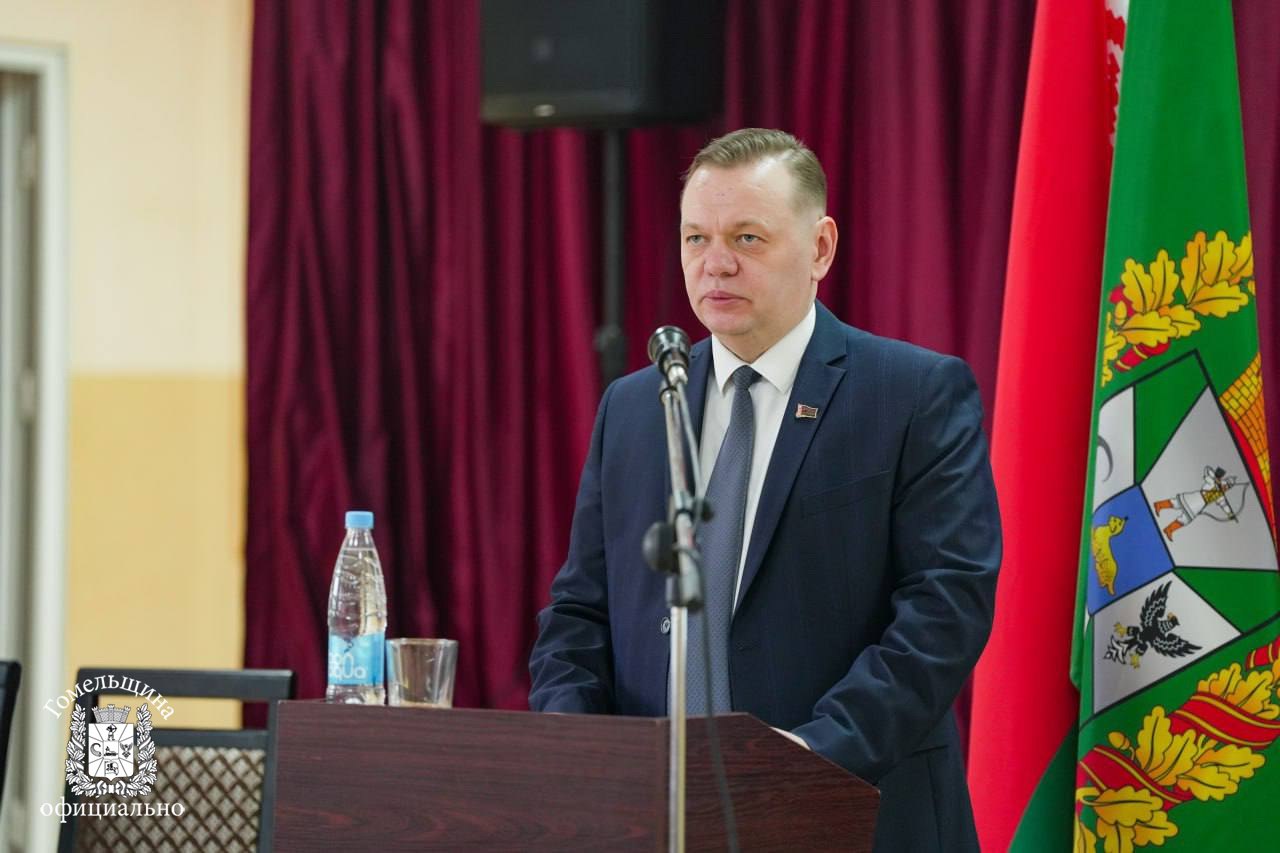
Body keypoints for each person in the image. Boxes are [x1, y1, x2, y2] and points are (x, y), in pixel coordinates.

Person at [529, 128, 1000, 852]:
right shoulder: (638, 405)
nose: (715, 263)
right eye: (696, 238)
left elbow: (947, 606)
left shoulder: (911, 393)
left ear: (820, 248)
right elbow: (580, 611)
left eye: (747, 238)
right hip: (651, 817)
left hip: (854, 808)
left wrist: (812, 756)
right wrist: (576, 748)